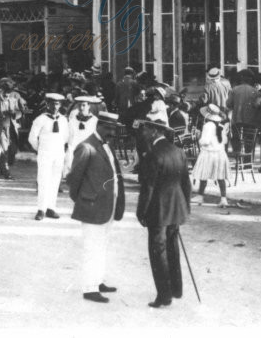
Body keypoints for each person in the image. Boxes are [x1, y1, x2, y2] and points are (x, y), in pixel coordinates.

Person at [65, 110, 125, 304]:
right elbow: (74, 179)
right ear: (98, 125)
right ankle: (90, 288)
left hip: (108, 205)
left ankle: (98, 281)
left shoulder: (106, 145)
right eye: (108, 128)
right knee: (92, 247)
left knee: (102, 246)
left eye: (114, 129)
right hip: (93, 206)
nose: (112, 132)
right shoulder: (86, 147)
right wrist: (84, 199)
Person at [134, 108, 191, 308]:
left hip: (158, 211)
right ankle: (176, 289)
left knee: (158, 252)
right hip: (177, 208)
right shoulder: (179, 152)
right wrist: (186, 207)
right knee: (172, 248)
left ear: (156, 131)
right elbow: (186, 184)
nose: (144, 132)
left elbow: (147, 189)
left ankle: (164, 296)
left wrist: (140, 212)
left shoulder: (152, 155)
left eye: (147, 128)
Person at [29, 93, 69, 220]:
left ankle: (51, 208)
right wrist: (40, 149)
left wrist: (59, 149)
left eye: (57, 104)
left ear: (60, 105)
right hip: (45, 154)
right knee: (43, 180)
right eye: (52, 103)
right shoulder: (40, 119)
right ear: (47, 104)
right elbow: (32, 138)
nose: (55, 106)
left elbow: (65, 137)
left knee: (55, 180)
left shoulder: (63, 120)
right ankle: (41, 209)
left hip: (58, 154)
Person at [191, 104, 231, 208]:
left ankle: (200, 195)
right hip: (220, 153)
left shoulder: (207, 126)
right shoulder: (221, 125)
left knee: (203, 174)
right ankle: (223, 198)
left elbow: (205, 141)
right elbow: (224, 141)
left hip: (209, 152)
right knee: (220, 176)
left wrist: (199, 137)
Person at [0, 78, 26, 174]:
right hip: (1, 126)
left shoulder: (15, 98)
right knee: (3, 147)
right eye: (4, 90)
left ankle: (6, 165)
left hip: (12, 126)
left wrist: (14, 114)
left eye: (9, 91)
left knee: (12, 148)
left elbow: (21, 111)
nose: (6, 93)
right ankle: (4, 169)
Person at [65, 95, 98, 176]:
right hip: (74, 150)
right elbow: (68, 137)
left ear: (89, 106)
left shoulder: (94, 121)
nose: (81, 108)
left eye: (84, 105)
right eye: (79, 105)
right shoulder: (72, 121)